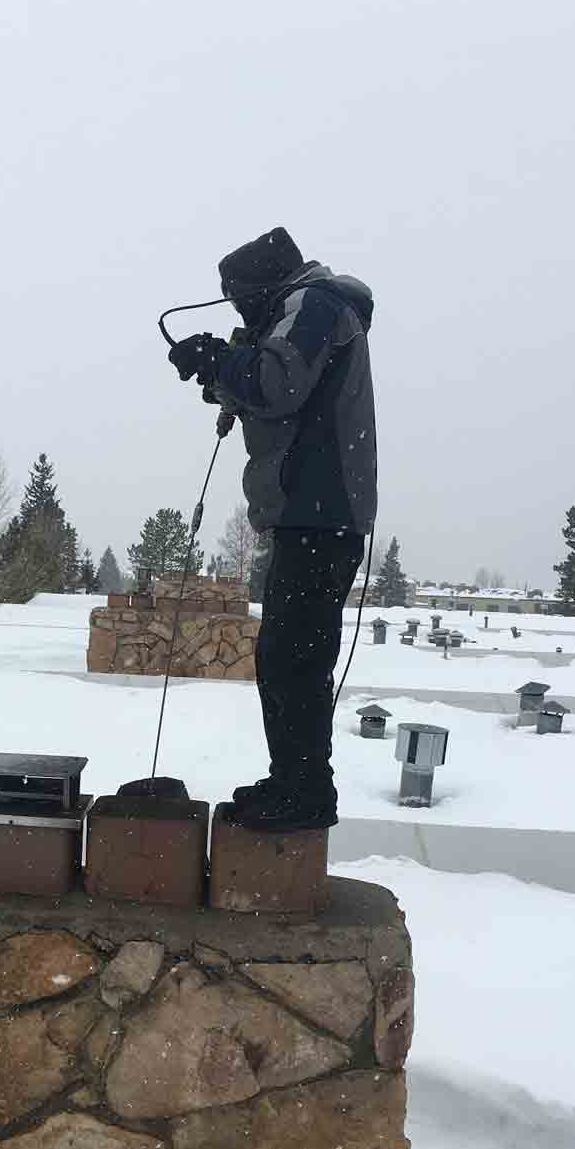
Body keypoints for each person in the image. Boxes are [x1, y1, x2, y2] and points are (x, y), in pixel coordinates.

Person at [167, 226, 377, 831]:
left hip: (321, 514)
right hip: (306, 517)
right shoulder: (301, 311)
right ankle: (293, 780)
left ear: (258, 287)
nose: (236, 309)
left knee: (295, 659)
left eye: (237, 298)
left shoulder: (313, 305)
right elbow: (270, 387)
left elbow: (276, 383)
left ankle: (307, 792)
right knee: (285, 655)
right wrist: (219, 371)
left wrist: (219, 358)